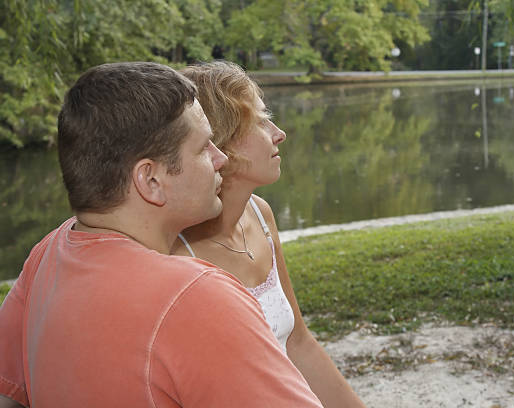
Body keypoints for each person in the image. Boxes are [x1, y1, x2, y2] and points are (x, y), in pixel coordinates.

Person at [0, 62, 323, 408]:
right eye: (203, 148)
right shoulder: (197, 296)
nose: (219, 159)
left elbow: (9, 395)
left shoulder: (49, 253)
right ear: (150, 180)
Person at [175, 61, 366, 408]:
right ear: (221, 141)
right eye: (260, 122)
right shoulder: (175, 253)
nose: (279, 133)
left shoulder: (260, 214)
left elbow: (297, 343)